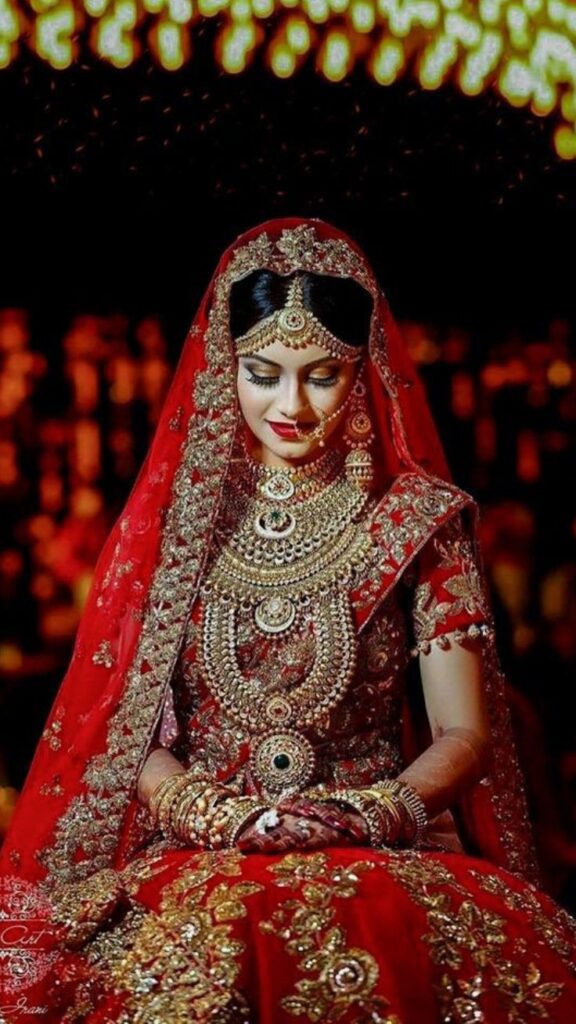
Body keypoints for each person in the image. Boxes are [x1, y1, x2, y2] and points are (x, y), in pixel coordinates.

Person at [1, 217, 575, 1024]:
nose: (291, 405)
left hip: (379, 851)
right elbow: (130, 728)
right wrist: (216, 813)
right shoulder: (181, 525)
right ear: (224, 368)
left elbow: (466, 733)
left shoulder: (417, 523)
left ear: (364, 372)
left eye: (322, 376)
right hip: (201, 854)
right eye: (263, 373)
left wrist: (368, 812)